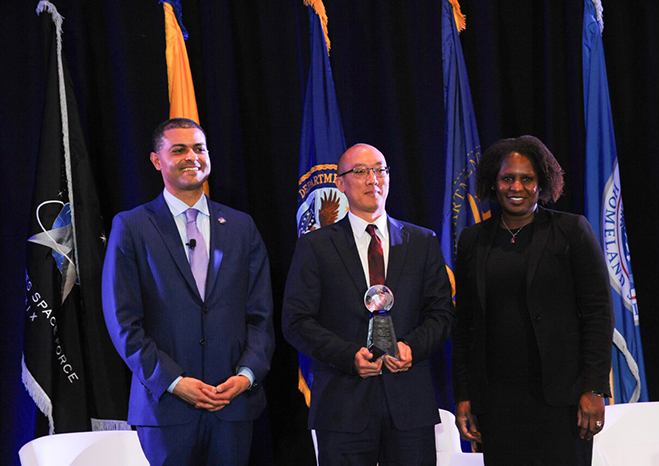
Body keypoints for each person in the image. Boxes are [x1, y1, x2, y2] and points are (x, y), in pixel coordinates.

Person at [102, 118, 275, 465]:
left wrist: (246, 375)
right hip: (166, 409)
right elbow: (123, 322)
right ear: (156, 160)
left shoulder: (241, 226)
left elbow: (261, 315)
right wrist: (174, 381)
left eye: (199, 148)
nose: (191, 156)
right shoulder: (132, 226)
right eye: (178, 149)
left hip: (233, 406)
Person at [282, 143, 455, 465]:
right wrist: (349, 356)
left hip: (409, 406)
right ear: (340, 183)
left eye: (379, 170)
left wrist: (410, 347)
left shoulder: (422, 242)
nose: (372, 179)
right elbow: (296, 321)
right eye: (360, 172)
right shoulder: (315, 246)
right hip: (342, 405)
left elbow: (442, 313)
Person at [451, 135, 614, 465]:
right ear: (494, 184)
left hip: (561, 397)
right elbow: (464, 325)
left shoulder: (571, 231)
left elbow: (598, 313)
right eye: (507, 178)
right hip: (496, 401)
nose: (517, 187)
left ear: (542, 184)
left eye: (527, 179)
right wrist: (465, 394)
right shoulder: (473, 240)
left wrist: (595, 388)